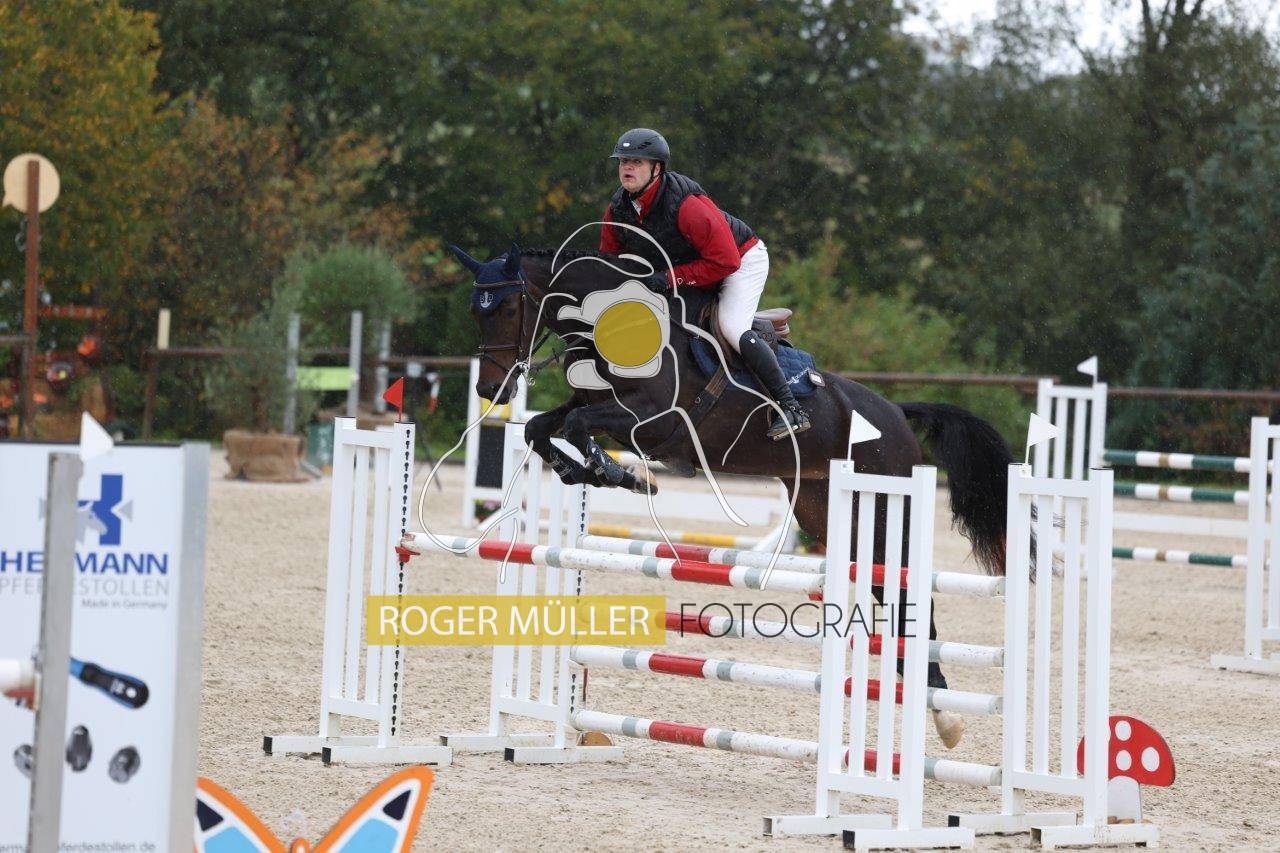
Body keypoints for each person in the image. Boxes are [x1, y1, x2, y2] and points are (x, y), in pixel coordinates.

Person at [599, 128, 810, 440]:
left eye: (637, 162)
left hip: (741, 259)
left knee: (731, 327)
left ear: (657, 168)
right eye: (623, 161)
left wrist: (669, 278)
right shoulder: (618, 209)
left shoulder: (688, 205)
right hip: (697, 265)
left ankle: (790, 408)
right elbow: (610, 264)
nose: (627, 167)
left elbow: (725, 262)